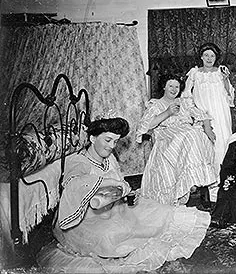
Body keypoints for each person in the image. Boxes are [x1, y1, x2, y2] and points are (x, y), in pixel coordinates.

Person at [52, 117, 210, 272]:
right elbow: (74, 184)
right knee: (111, 237)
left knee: (161, 212)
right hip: (87, 217)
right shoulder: (79, 162)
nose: (111, 146)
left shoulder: (110, 158)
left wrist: (128, 193)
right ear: (92, 138)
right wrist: (111, 183)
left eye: (115, 141)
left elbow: (119, 182)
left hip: (113, 207)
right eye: (107, 140)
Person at [136, 73, 217, 207]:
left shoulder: (183, 103)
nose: (174, 89)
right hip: (166, 134)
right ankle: (189, 184)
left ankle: (196, 181)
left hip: (185, 133)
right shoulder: (156, 104)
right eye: (170, 86)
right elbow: (146, 125)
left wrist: (208, 128)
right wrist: (167, 112)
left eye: (177, 87)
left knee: (199, 135)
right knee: (189, 135)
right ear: (164, 87)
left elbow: (202, 115)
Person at [183, 42, 234, 201]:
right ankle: (208, 187)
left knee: (223, 144)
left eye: (212, 56)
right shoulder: (194, 73)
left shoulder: (221, 71)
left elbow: (229, 95)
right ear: (201, 57)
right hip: (203, 115)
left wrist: (226, 80)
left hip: (221, 113)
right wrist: (196, 114)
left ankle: (224, 182)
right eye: (206, 55)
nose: (209, 58)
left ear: (216, 57)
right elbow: (186, 96)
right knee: (206, 148)